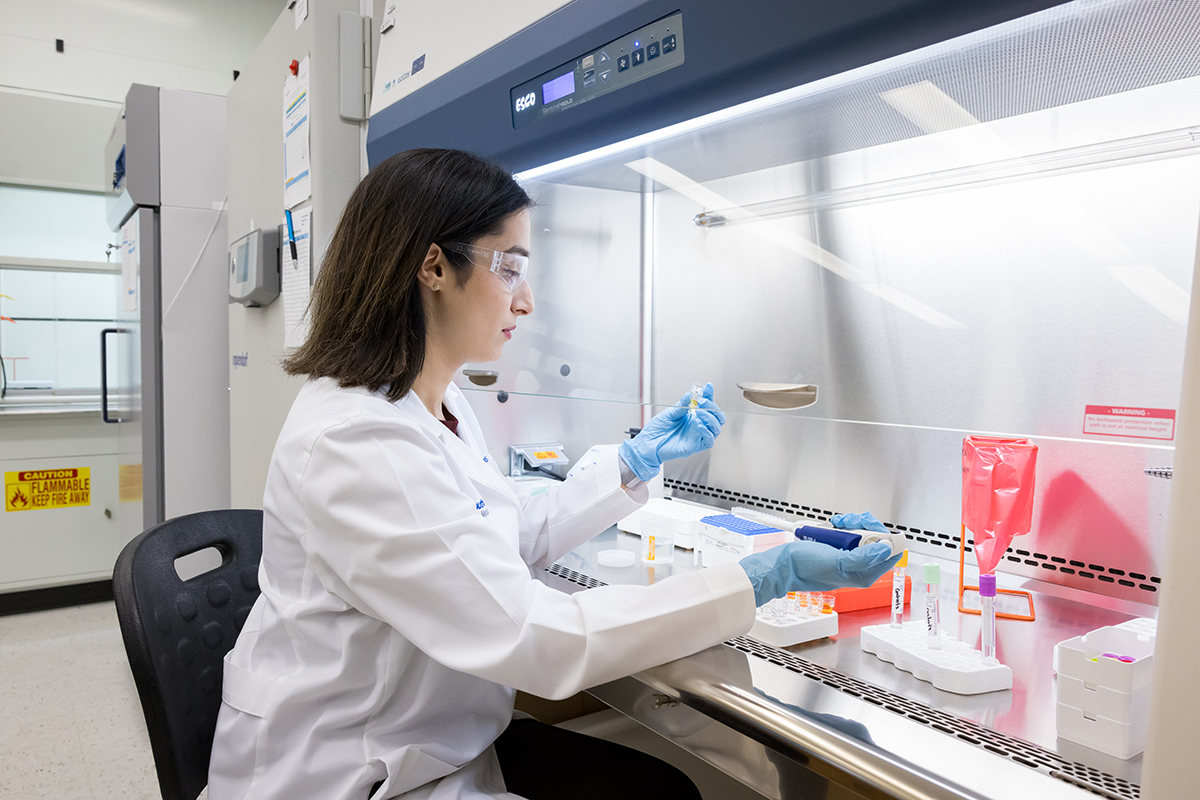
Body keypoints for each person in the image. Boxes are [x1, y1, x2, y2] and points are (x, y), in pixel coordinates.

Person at [207, 149, 900, 800]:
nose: (526, 300)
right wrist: (762, 576)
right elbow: (540, 639)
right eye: (509, 266)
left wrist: (628, 466)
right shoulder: (356, 440)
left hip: (429, 741)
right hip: (350, 770)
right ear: (432, 268)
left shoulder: (436, 400)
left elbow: (491, 539)